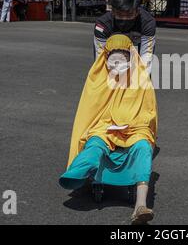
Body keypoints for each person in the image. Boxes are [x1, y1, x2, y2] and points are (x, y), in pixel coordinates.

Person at [59, 34, 157, 225]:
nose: (117, 66)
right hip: (104, 126)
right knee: (95, 143)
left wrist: (131, 123)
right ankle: (77, 172)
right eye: (113, 61)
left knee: (143, 147)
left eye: (122, 61)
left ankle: (141, 205)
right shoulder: (97, 80)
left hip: (134, 128)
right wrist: (107, 125)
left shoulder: (141, 78)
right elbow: (90, 112)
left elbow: (149, 112)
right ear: (105, 60)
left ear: (131, 59)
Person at [93, 0, 156, 74]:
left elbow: (146, 57)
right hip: (111, 63)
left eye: (129, 15)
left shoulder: (147, 22)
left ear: (137, 12)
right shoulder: (102, 25)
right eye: (120, 15)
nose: (124, 18)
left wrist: (142, 81)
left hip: (137, 61)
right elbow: (100, 59)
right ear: (113, 11)